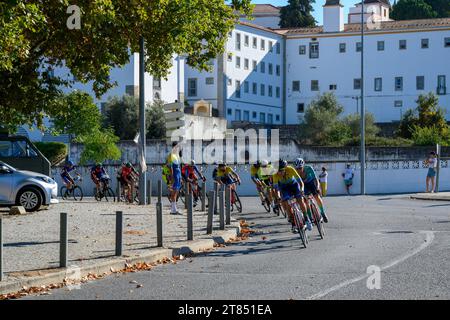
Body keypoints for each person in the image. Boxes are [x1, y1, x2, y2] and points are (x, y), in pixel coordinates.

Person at [272, 159, 312, 232]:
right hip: (284, 188)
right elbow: (276, 189)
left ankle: (306, 218)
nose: (280, 173)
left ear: (285, 168)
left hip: (294, 185)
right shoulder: (275, 174)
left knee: (300, 200)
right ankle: (293, 224)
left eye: (282, 170)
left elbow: (300, 182)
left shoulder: (290, 169)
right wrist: (278, 197)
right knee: (287, 204)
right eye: (278, 171)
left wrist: (302, 190)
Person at [294, 158, 328, 223]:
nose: (299, 170)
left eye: (300, 168)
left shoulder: (309, 168)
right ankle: (310, 217)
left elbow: (316, 179)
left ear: (303, 166)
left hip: (311, 183)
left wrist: (318, 187)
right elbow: (296, 184)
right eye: (297, 169)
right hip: (303, 185)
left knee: (317, 197)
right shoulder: (295, 172)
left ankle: (323, 213)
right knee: (306, 201)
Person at [166, 142, 182, 214]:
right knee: (174, 192)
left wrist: (180, 177)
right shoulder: (171, 155)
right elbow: (170, 167)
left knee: (177, 192)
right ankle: (173, 209)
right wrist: (172, 177)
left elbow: (179, 167)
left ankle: (174, 209)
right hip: (174, 175)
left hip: (178, 175)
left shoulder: (177, 155)